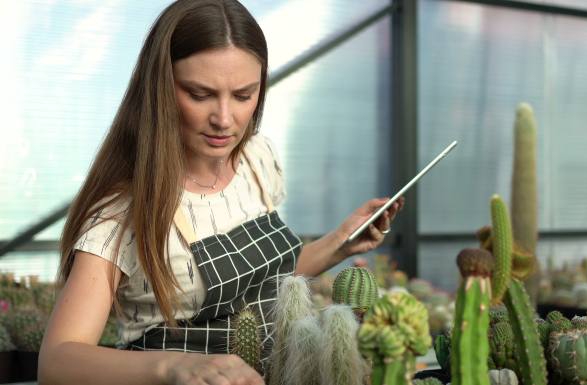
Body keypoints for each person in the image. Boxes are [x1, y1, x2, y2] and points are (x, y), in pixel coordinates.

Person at [37, 1, 402, 384]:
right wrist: (176, 366)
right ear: (160, 88)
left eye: (244, 95)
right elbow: (58, 361)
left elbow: (262, 285)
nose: (225, 119)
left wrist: (341, 242)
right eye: (199, 94)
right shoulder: (122, 214)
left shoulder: (256, 160)